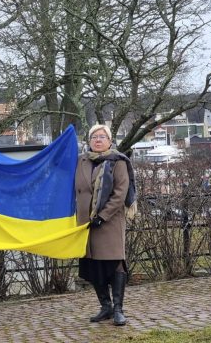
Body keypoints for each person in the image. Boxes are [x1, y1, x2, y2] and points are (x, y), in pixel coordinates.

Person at [75, 124, 137, 326]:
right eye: (94, 136)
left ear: (110, 141)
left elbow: (120, 193)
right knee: (94, 264)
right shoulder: (82, 160)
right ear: (89, 141)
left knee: (114, 262)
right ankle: (106, 306)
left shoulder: (117, 161)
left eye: (102, 136)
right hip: (85, 223)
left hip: (109, 222)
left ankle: (119, 309)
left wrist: (102, 216)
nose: (98, 140)